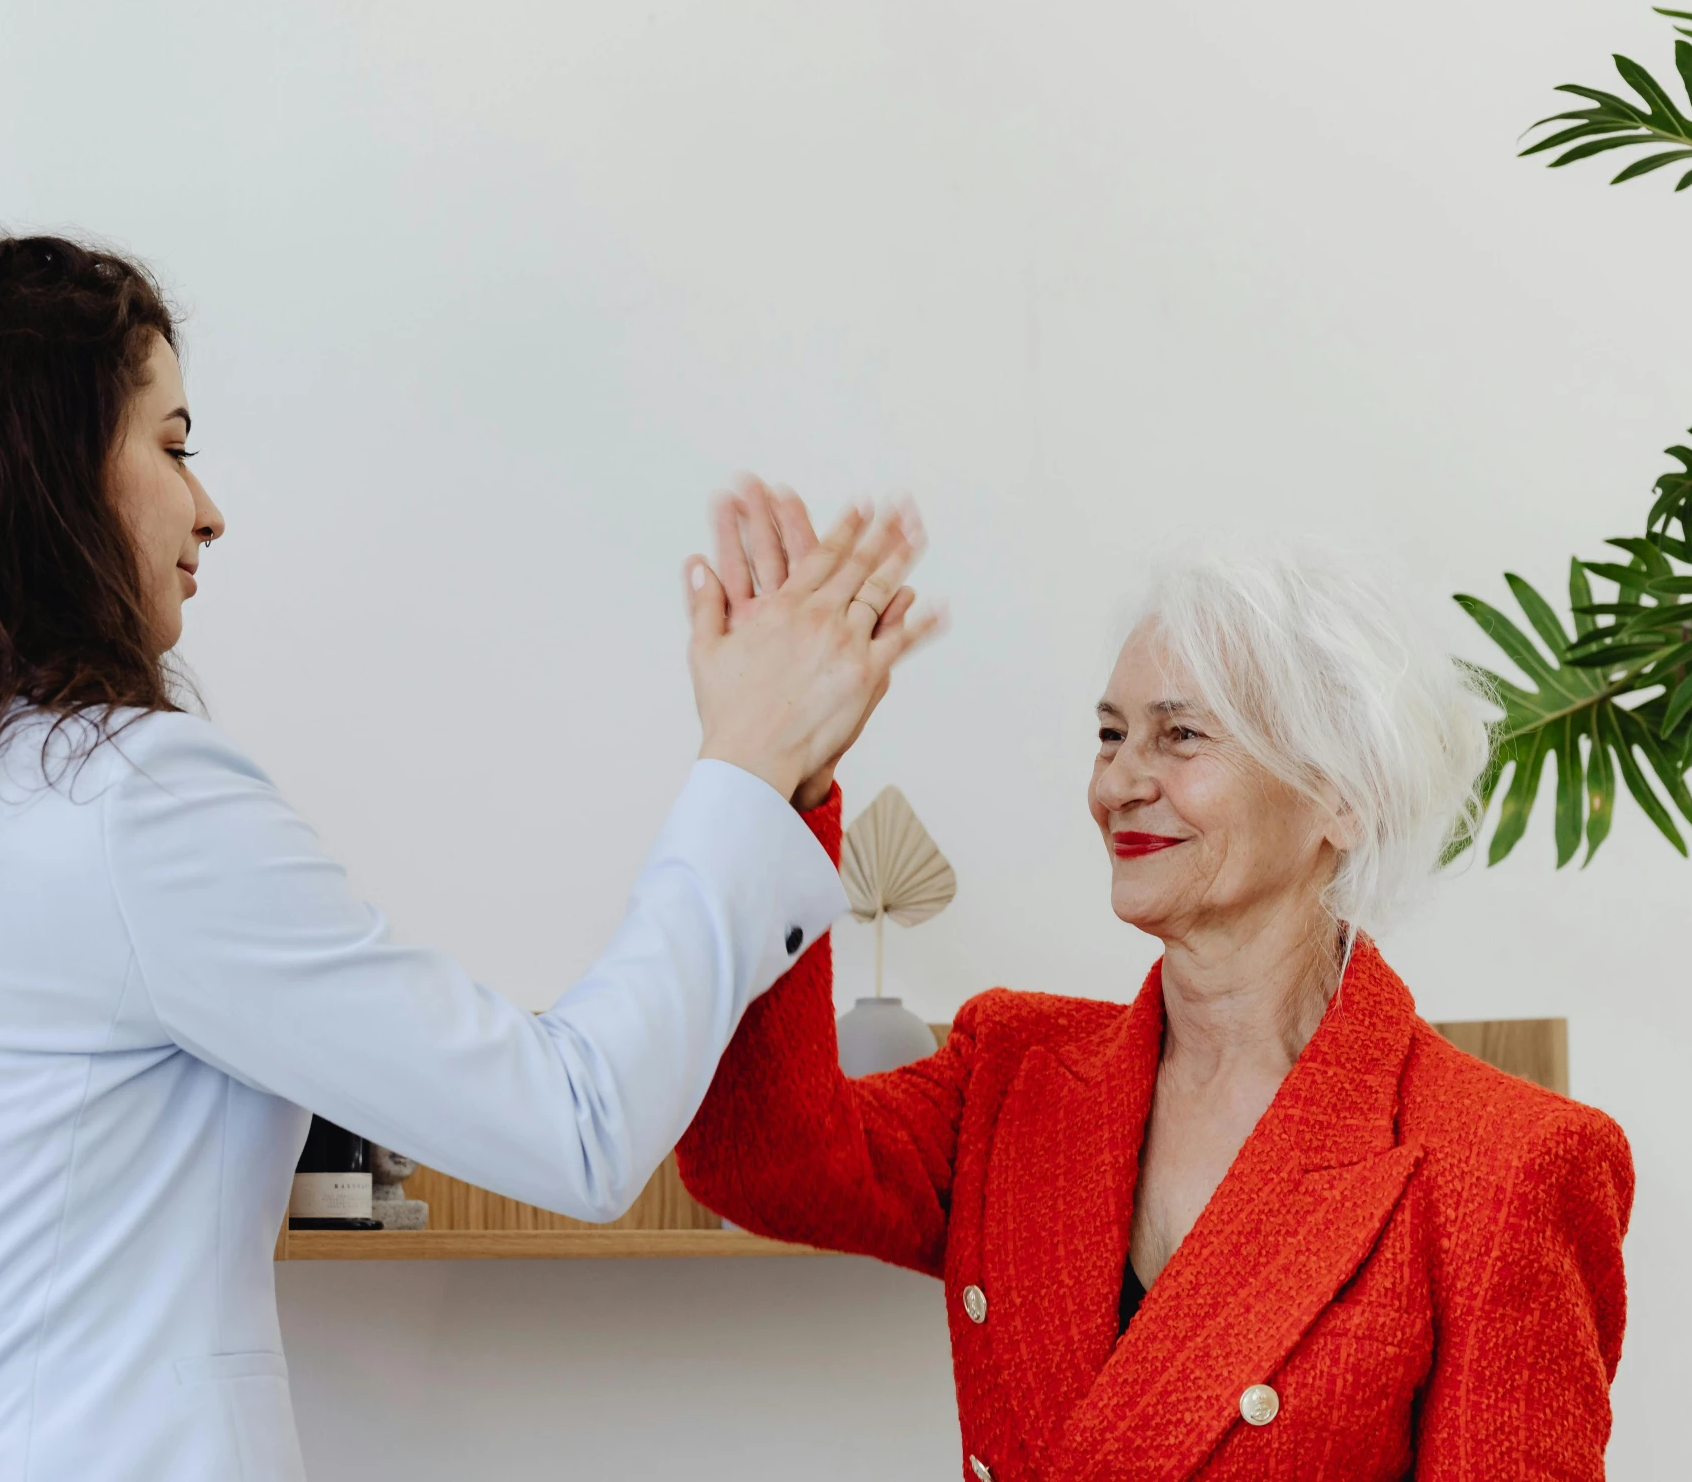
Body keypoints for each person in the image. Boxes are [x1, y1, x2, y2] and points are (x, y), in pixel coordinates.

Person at [0, 237, 941, 1482]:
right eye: (173, 442)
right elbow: (571, 1127)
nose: (209, 511)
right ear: (44, 471)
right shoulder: (128, 800)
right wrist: (743, 768)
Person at [678, 488, 1635, 1482]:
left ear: (1344, 796)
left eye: (1179, 736)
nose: (1119, 781)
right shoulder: (1010, 1073)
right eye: (1109, 734)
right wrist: (773, 778)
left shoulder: (1507, 1164)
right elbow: (760, 1163)